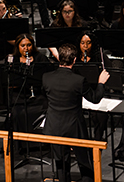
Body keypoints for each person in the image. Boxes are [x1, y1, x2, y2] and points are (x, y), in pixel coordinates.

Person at [42, 43, 110, 182]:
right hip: (74, 127)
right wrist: (101, 83)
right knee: (84, 161)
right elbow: (95, 99)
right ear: (74, 60)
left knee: (61, 163)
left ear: (59, 58)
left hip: (54, 125)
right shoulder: (78, 80)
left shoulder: (46, 77)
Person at [8, 33, 50, 151]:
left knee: (44, 108)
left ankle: (43, 143)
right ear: (18, 47)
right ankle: (22, 145)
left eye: (29, 45)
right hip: (19, 95)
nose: (26, 48)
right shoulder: (13, 60)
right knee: (17, 113)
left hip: (37, 94)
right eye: (23, 46)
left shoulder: (40, 58)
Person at [76, 31, 112, 141]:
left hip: (96, 91)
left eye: (88, 43)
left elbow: (108, 74)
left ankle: (97, 140)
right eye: (82, 43)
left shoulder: (100, 58)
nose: (85, 46)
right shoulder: (75, 58)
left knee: (100, 115)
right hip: (79, 92)